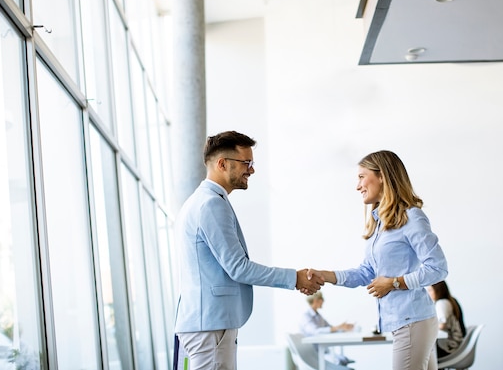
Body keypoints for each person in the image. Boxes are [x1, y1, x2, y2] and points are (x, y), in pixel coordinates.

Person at [174, 130, 324, 370]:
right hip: (209, 325)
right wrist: (294, 278)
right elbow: (238, 268)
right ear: (222, 164)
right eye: (247, 163)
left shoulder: (202, 201)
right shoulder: (211, 204)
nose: (252, 170)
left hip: (207, 323)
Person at [308, 150, 448, 370]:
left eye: (361, 176)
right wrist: (325, 276)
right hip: (407, 322)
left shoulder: (411, 217)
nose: (358, 185)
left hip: (412, 321)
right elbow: (366, 272)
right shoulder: (380, 225)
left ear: (382, 175)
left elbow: (438, 268)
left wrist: (393, 283)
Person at [299, 291, 356, 366]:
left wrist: (342, 328)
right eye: (322, 299)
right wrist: (337, 327)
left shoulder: (319, 316)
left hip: (323, 350)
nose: (323, 301)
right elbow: (315, 331)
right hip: (314, 353)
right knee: (339, 361)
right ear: (316, 300)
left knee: (343, 360)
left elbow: (330, 328)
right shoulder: (306, 316)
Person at [426, 281, 465, 358]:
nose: (428, 293)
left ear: (437, 290)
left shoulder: (442, 303)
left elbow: (442, 325)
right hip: (455, 342)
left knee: (420, 351)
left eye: (430, 290)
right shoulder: (450, 300)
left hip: (449, 345)